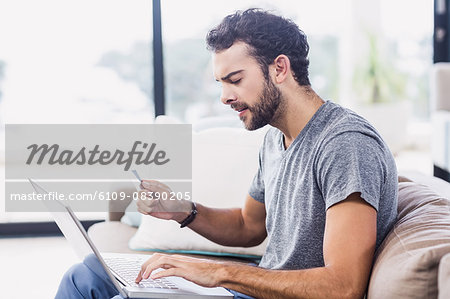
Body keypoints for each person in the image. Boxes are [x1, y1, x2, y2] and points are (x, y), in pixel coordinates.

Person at [56, 8, 398, 299]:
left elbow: (343, 286)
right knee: (86, 274)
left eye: (234, 79)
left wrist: (217, 272)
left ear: (280, 69)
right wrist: (181, 210)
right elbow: (248, 225)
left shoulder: (345, 143)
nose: (224, 97)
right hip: (253, 289)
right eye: (221, 82)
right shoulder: (275, 138)